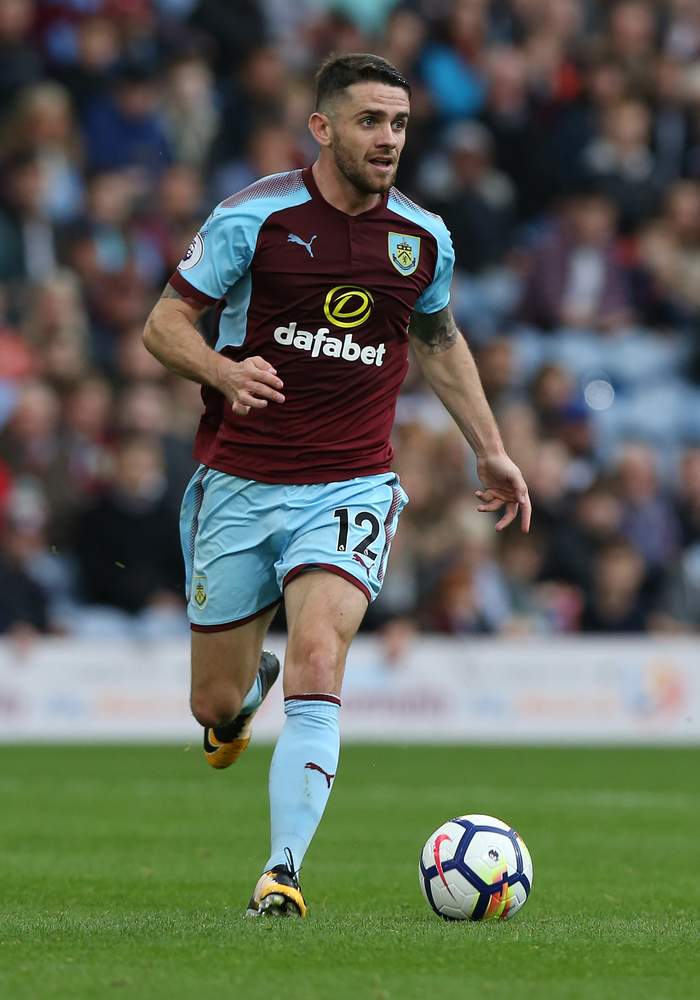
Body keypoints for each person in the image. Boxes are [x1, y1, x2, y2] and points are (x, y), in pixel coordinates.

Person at [142, 52, 531, 918]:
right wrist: (222, 369)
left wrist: (491, 448)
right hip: (239, 481)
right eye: (369, 121)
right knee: (212, 702)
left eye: (399, 123)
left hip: (350, 484)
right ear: (321, 127)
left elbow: (436, 340)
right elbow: (162, 325)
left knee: (320, 654)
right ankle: (244, 694)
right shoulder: (254, 218)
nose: (388, 139)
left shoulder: (423, 238)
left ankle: (281, 872)